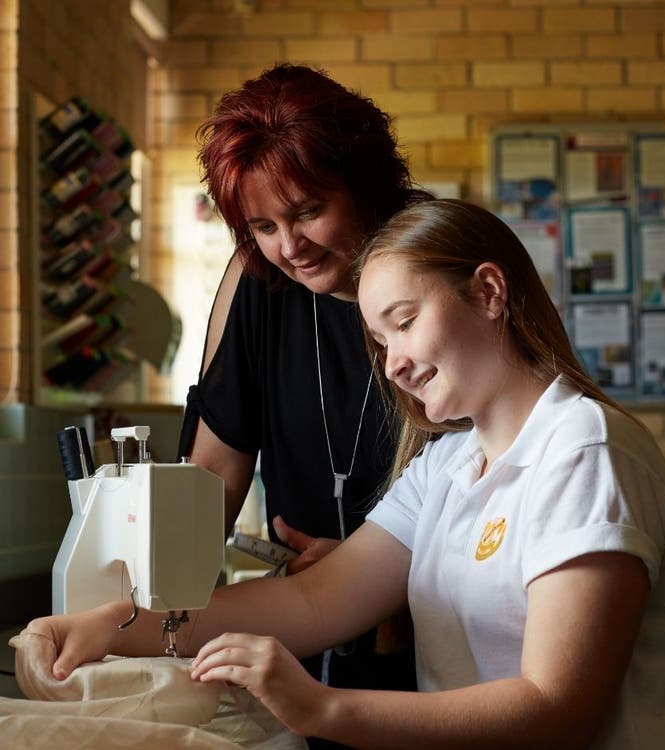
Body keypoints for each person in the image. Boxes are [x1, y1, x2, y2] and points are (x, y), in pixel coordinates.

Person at [27, 199, 665, 748]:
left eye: (405, 323)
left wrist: (322, 708)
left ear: (490, 291)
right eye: (380, 343)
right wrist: (114, 626)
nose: (393, 365)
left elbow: (556, 710)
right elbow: (314, 601)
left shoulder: (584, 453)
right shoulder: (449, 464)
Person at [172, 62, 430, 745]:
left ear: (365, 187)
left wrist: (376, 575)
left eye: (310, 210)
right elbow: (213, 469)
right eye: (262, 225)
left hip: (439, 622)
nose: (290, 248)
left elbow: (501, 468)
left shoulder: (437, 265)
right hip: (306, 619)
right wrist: (158, 607)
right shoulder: (260, 280)